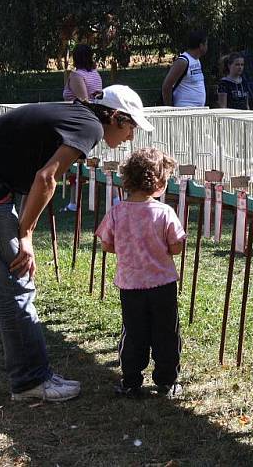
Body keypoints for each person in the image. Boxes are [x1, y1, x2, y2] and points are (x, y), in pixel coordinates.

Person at [0, 85, 154, 403]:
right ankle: (30, 381)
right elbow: (45, 178)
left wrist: (24, 227)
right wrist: (25, 234)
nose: (130, 137)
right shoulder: (90, 126)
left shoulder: (79, 116)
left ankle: (33, 375)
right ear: (115, 117)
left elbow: (36, 176)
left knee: (13, 281)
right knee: (15, 282)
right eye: (131, 128)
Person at [95, 147, 185, 398]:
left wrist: (127, 249)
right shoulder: (164, 212)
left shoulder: (116, 212)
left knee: (133, 333)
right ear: (157, 182)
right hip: (162, 286)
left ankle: (131, 380)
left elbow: (106, 244)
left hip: (131, 286)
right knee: (166, 332)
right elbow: (176, 246)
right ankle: (168, 381)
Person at [62, 44, 104, 212]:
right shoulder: (95, 74)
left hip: (79, 124)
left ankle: (74, 202)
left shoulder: (76, 75)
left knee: (75, 161)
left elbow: (83, 100)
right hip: (95, 120)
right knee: (99, 160)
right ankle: (114, 197)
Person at [161, 30, 208, 107]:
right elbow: (167, 86)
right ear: (201, 46)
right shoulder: (183, 61)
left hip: (198, 110)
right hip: (184, 110)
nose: (207, 47)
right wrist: (169, 108)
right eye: (206, 44)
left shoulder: (197, 60)